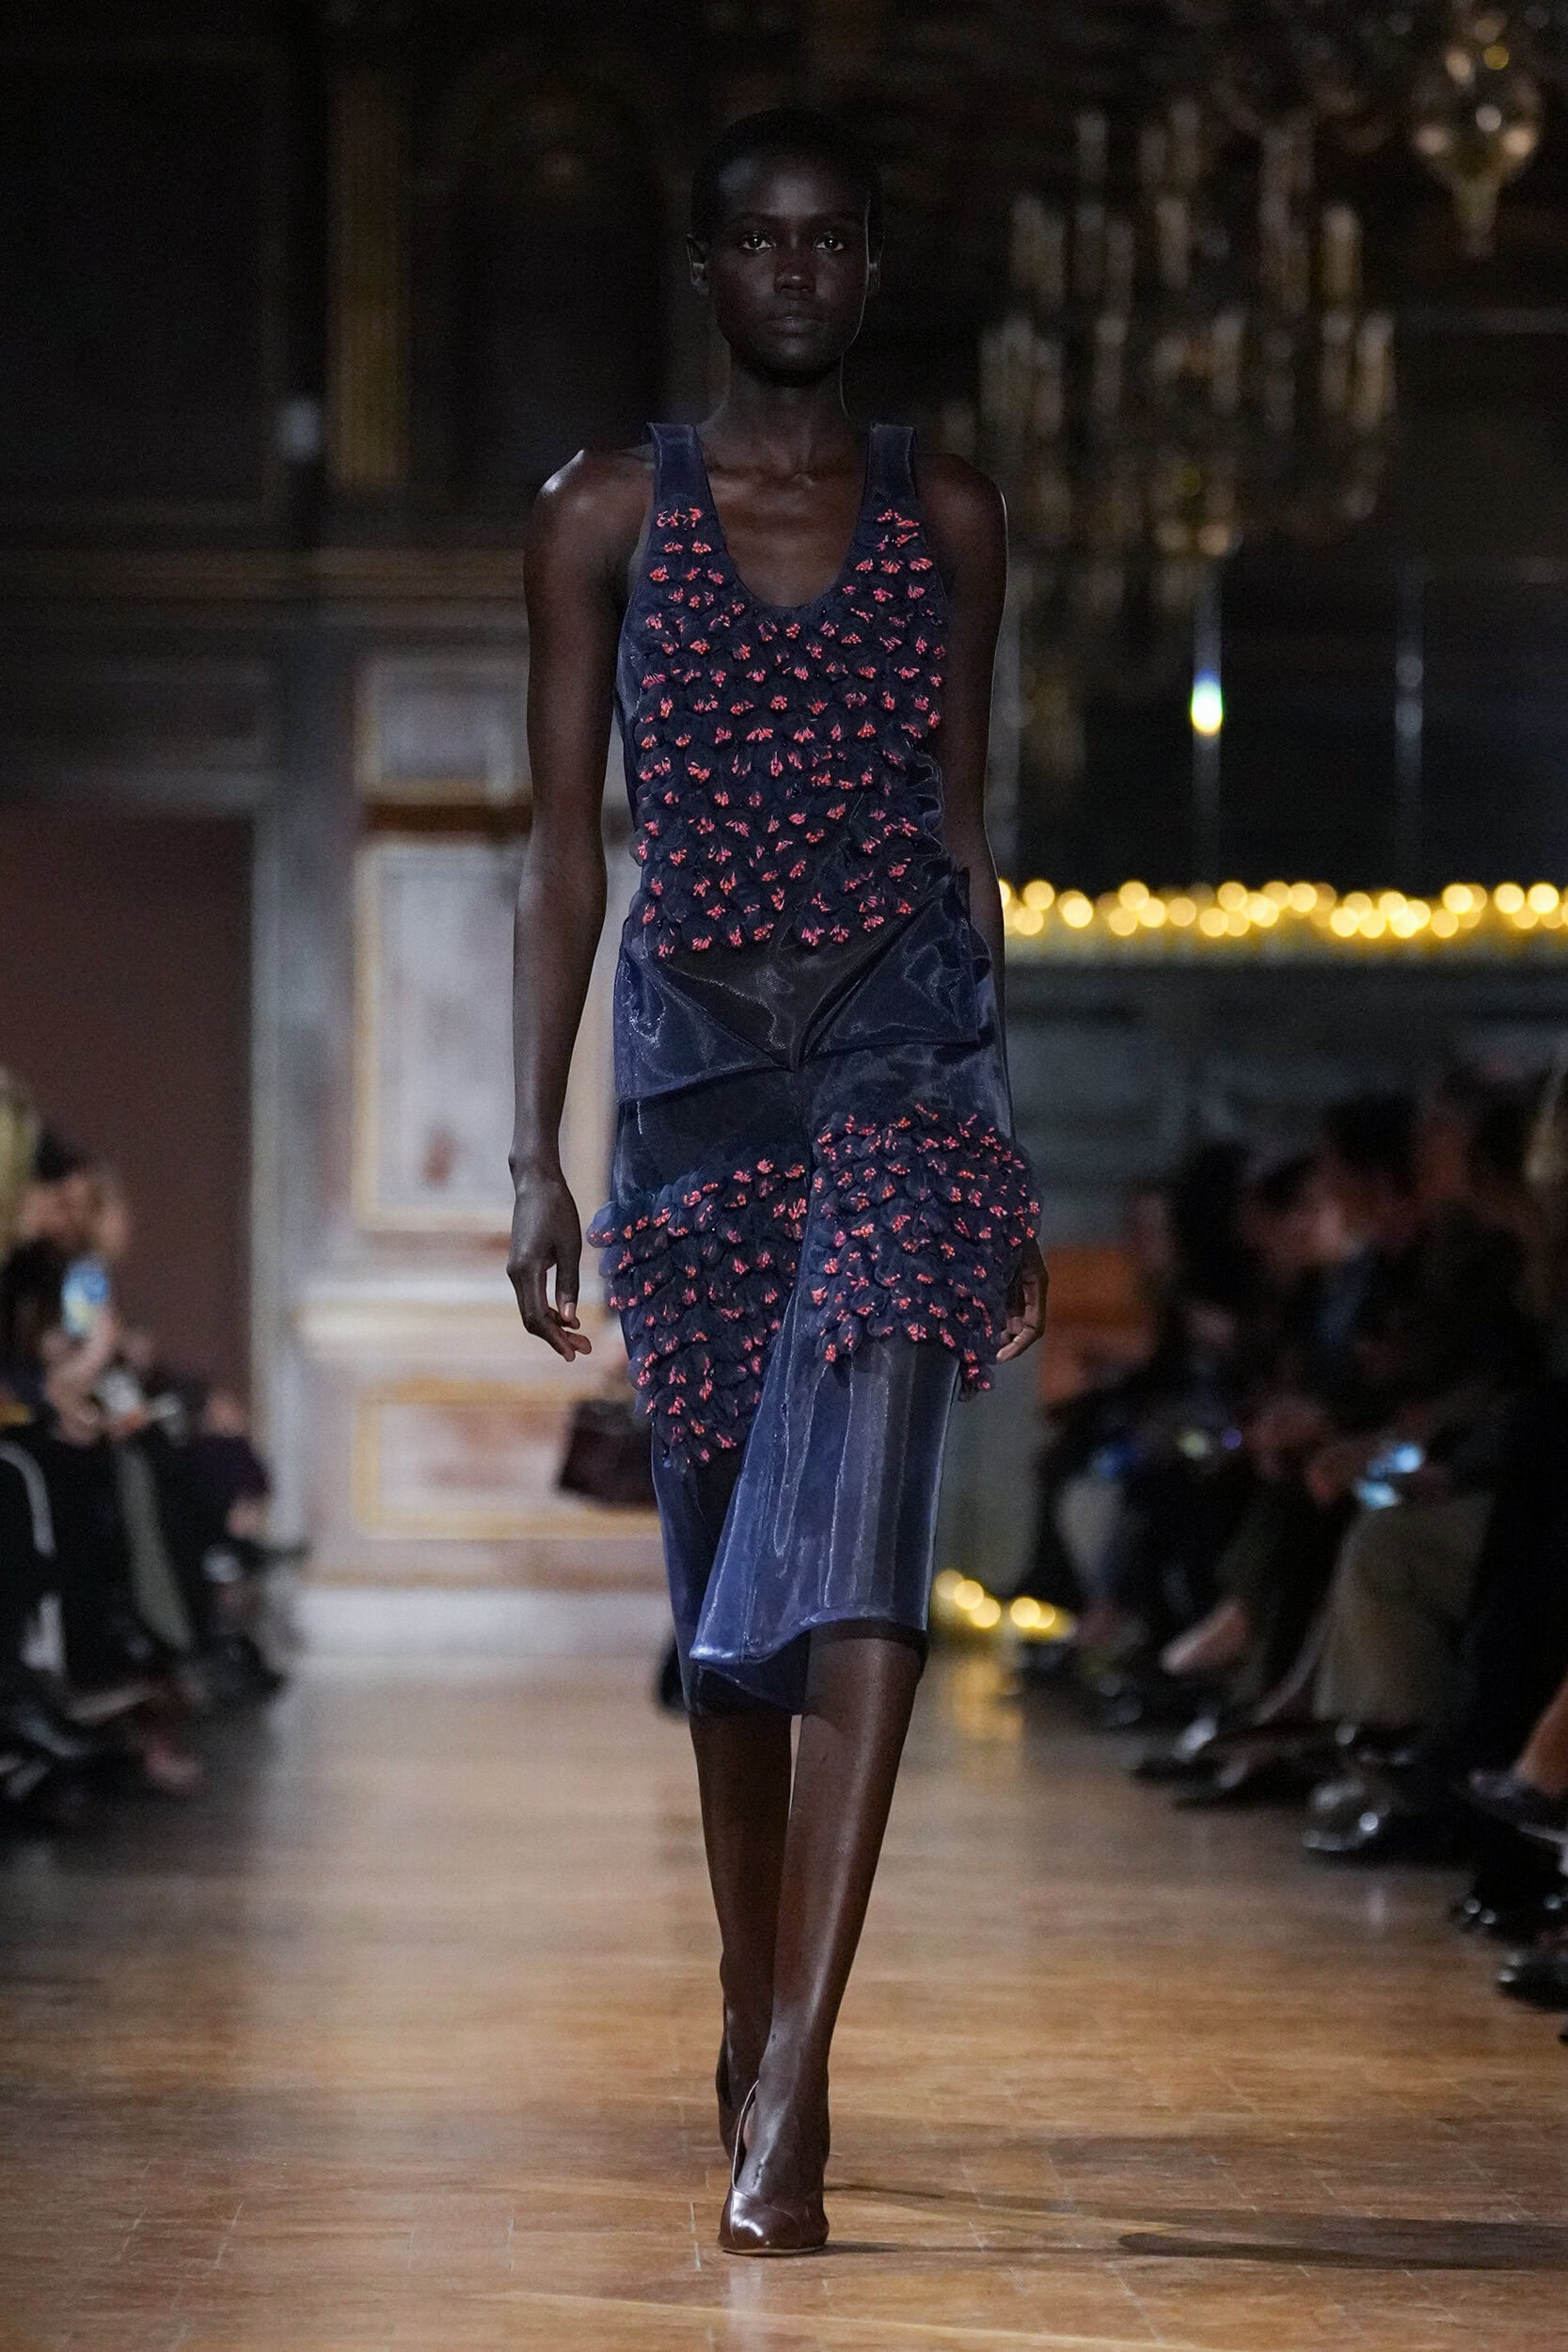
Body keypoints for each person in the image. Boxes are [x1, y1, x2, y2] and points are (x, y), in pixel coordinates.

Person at [506, 107, 1045, 2254]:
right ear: (708, 268)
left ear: (873, 267)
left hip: (906, 1067)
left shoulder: (952, 517)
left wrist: (1002, 1141)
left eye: (836, 241)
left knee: (865, 1554)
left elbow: (967, 839)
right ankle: (751, 2001)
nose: (802, 273)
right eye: (765, 241)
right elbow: (565, 852)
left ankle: (799, 2083)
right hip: (694, 1090)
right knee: (731, 1608)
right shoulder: (602, 514)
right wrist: (536, 1155)